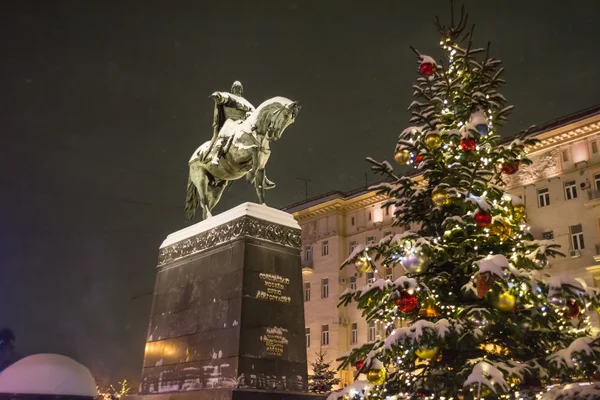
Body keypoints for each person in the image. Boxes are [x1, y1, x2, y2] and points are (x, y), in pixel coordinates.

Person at [207, 81, 254, 166]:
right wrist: (219, 96)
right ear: (232, 89)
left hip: (242, 124)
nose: (238, 90)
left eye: (239, 88)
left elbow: (254, 113)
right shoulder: (230, 97)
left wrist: (250, 114)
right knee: (224, 134)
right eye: (236, 88)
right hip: (231, 122)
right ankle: (215, 155)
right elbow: (224, 97)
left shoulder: (246, 102)